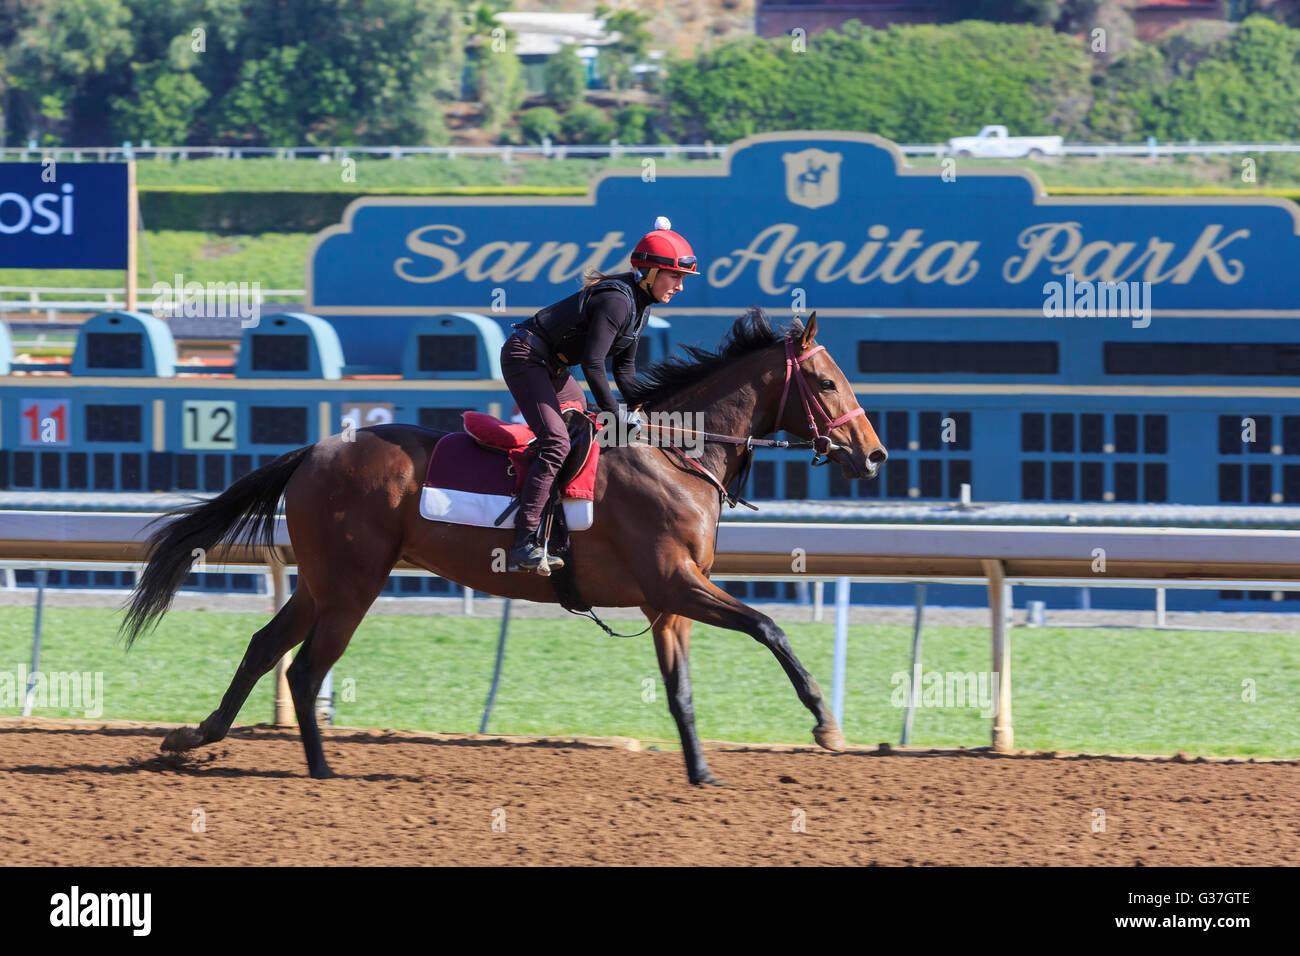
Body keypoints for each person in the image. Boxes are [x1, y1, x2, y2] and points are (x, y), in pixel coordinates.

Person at [501, 216, 699, 573]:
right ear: (650, 274)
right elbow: (594, 365)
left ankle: (553, 521)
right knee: (557, 443)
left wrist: (646, 409)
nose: (680, 287)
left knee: (585, 430)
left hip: (553, 368)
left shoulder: (640, 306)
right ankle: (524, 541)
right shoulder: (618, 303)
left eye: (682, 279)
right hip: (526, 358)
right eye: (676, 277)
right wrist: (616, 417)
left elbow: (624, 371)